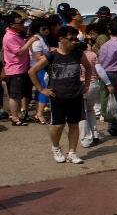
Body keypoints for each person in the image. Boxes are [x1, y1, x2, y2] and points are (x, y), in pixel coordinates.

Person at [29, 26, 92, 165]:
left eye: (76, 39)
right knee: (58, 126)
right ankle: (56, 148)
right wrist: (41, 89)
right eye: (71, 39)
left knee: (74, 124)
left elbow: (88, 67)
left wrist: (86, 84)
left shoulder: (78, 53)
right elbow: (32, 71)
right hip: (58, 96)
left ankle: (72, 152)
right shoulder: (52, 55)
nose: (74, 42)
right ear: (61, 39)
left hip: (75, 94)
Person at [3, 13, 36, 127]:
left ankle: (19, 115)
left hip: (21, 68)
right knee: (15, 96)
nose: (22, 24)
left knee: (20, 94)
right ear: (12, 24)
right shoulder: (9, 37)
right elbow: (20, 52)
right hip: (15, 70)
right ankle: (15, 118)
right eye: (20, 23)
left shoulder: (16, 34)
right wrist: (30, 41)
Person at [78, 35, 103, 149]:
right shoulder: (92, 55)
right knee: (90, 110)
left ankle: (86, 139)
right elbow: (99, 70)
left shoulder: (74, 56)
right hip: (93, 84)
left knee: (82, 113)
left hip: (80, 86)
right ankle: (95, 134)